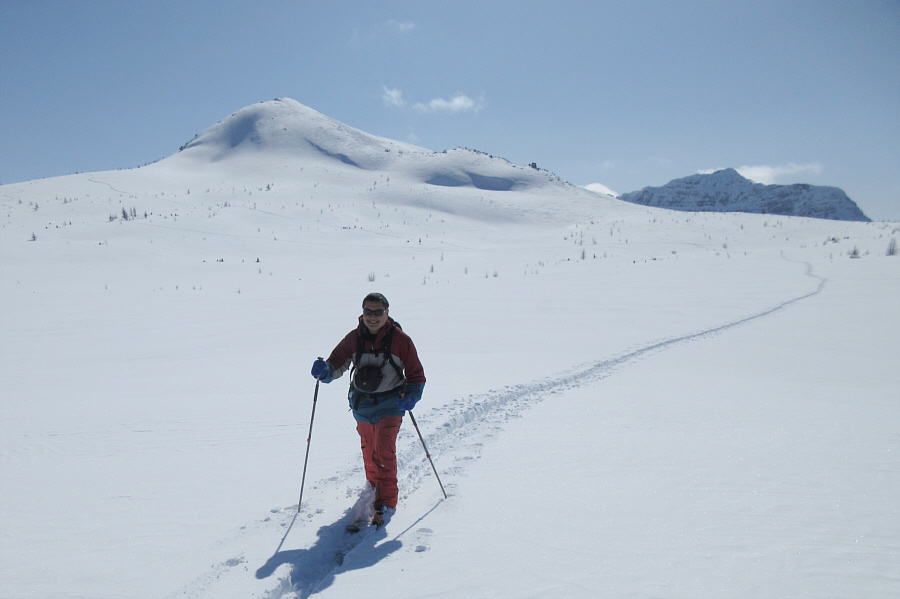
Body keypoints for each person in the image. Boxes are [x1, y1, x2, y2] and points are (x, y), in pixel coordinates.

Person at [311, 293, 425, 525]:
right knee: (368, 449)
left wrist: (412, 396)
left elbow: (416, 375)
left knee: (384, 452)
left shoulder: (401, 340)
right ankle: (373, 486)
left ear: (387, 313)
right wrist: (324, 372)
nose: (372, 317)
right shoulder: (353, 338)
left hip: (391, 404)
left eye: (378, 312)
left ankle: (386, 504)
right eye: (368, 312)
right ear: (362, 312)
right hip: (362, 405)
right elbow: (335, 364)